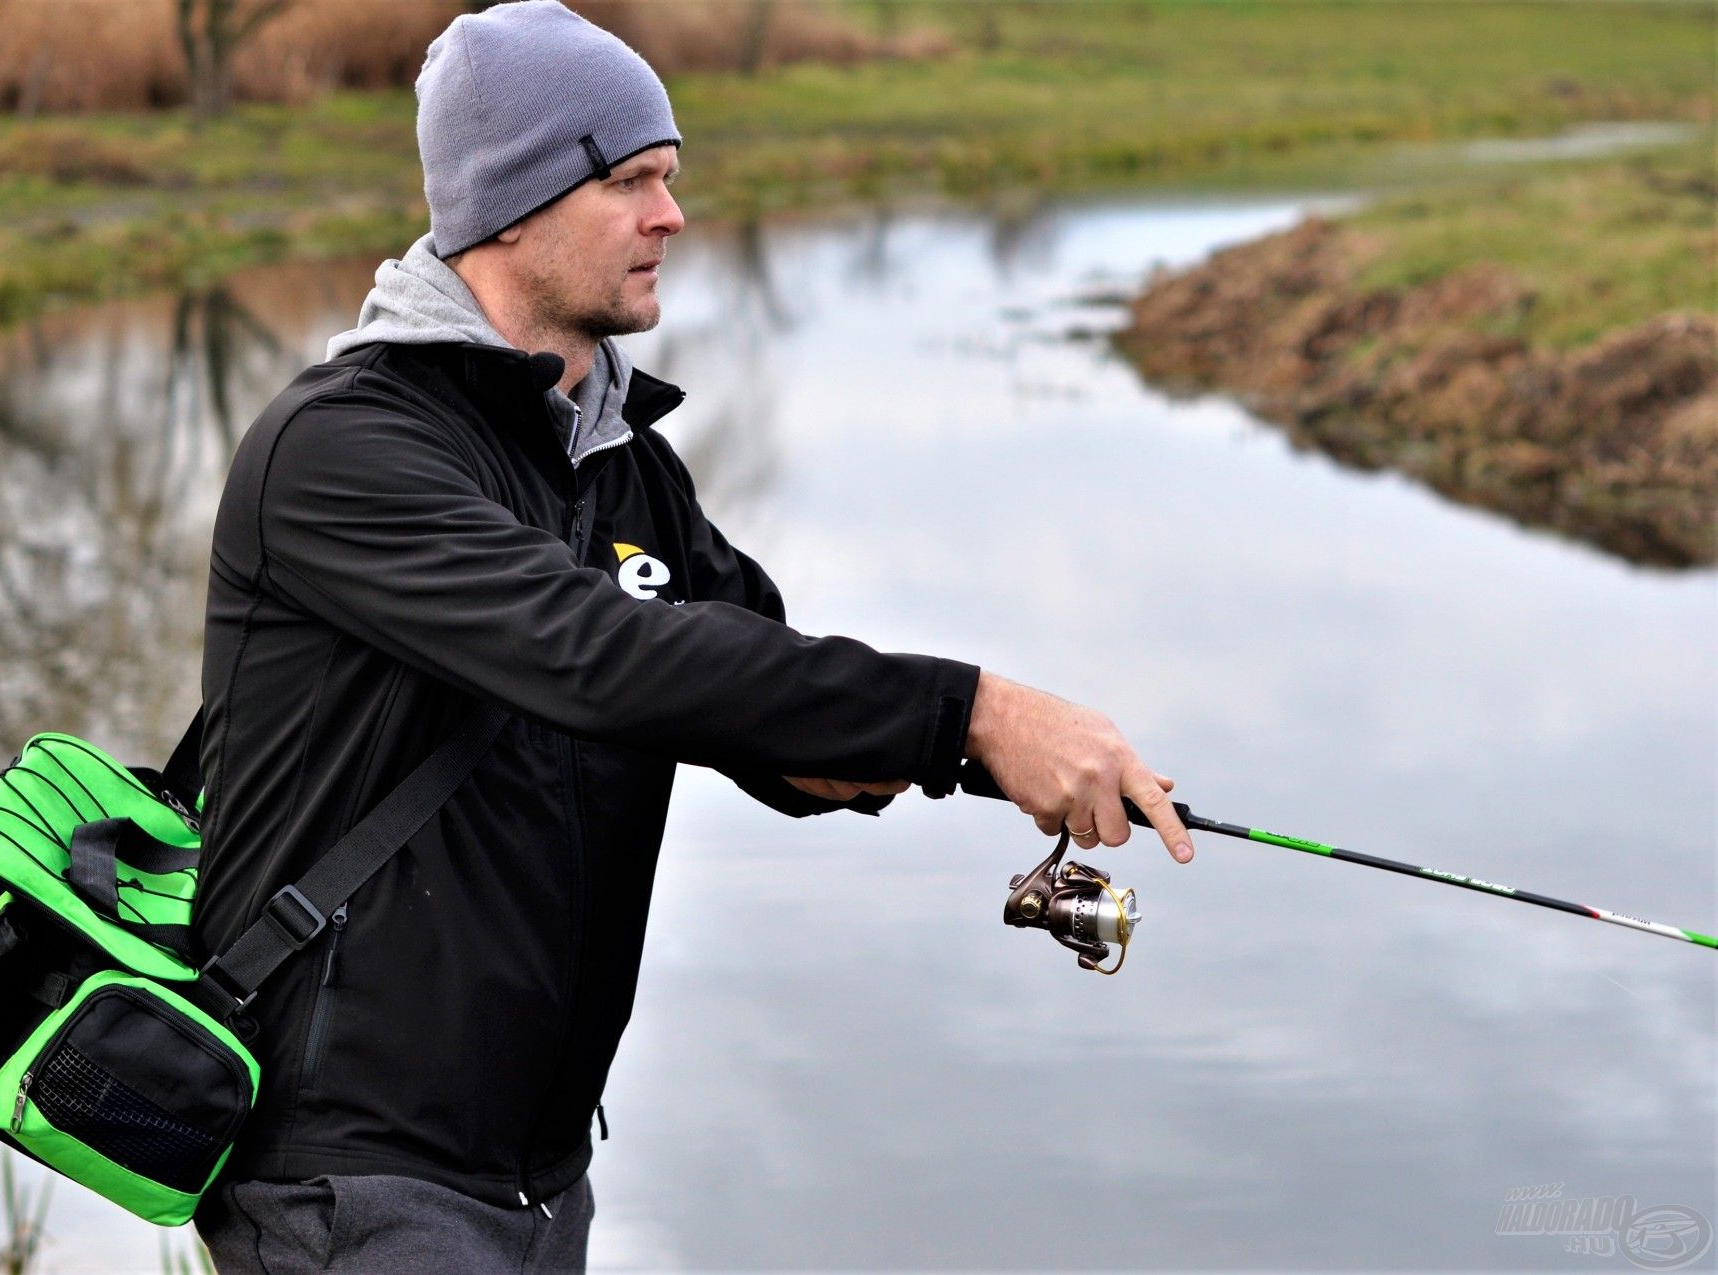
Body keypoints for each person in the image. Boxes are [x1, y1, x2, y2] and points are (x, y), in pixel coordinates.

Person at [190, 2, 1193, 1270]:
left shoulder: (617, 458)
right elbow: (596, 655)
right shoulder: (342, 453)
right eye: (630, 183)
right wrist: (975, 706)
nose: (672, 216)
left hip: (540, 1177)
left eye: (670, 178)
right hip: (354, 1177)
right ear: (512, 207)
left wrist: (968, 756)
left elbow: (748, 678)